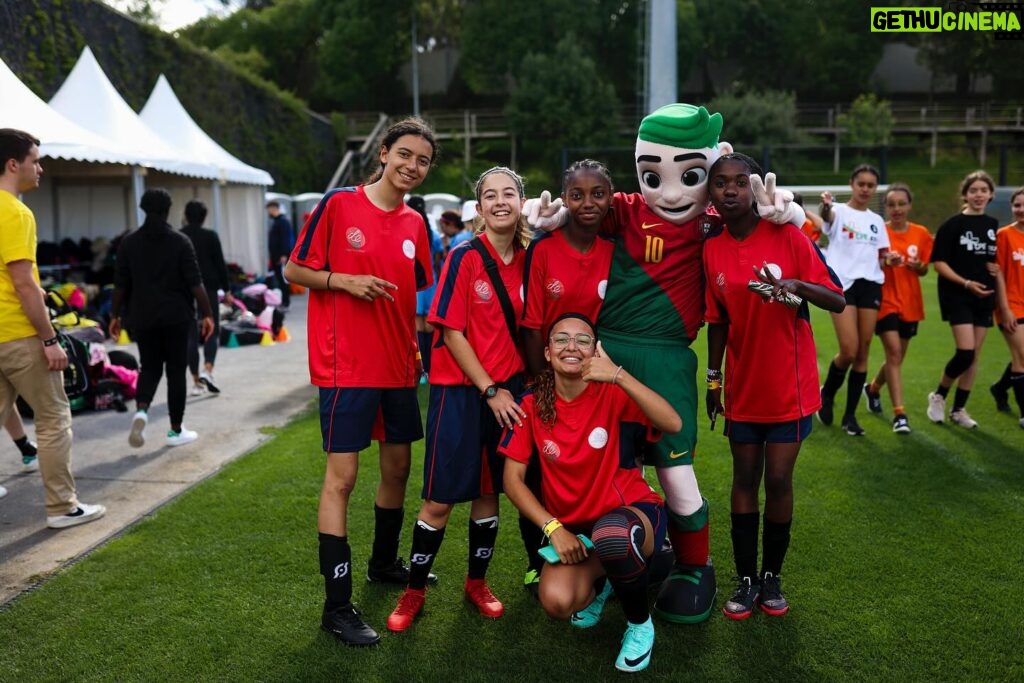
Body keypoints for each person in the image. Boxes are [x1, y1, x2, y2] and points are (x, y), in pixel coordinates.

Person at [524, 103, 804, 623]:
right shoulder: (624, 209)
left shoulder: (718, 214)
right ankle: (608, 559)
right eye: (654, 176)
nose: (672, 192)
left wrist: (794, 212)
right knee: (603, 462)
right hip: (604, 353)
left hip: (669, 360)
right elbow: (580, 209)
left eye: (690, 176)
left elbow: (771, 220)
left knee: (675, 470)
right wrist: (547, 219)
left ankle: (694, 566)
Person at [282, 117, 438, 647]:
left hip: (398, 367)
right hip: (345, 366)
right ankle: (337, 606)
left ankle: (383, 563)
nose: (412, 166)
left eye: (422, 160)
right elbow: (293, 271)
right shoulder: (338, 205)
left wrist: (416, 345)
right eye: (405, 154)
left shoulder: (417, 224)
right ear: (384, 153)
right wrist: (340, 280)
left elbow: (412, 296)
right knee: (342, 478)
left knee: (398, 467)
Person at [386, 167, 530, 633]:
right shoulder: (464, 257)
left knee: (490, 491)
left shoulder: (532, 258)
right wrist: (489, 389)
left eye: (509, 193)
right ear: (479, 208)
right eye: (491, 195)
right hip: (464, 394)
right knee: (440, 500)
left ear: (522, 202)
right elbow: (447, 328)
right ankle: (413, 591)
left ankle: (476, 581)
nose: (501, 201)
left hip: (511, 394)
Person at [703, 153, 845, 621]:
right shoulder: (712, 249)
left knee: (779, 479)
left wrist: (796, 285)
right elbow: (717, 321)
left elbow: (837, 299)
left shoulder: (787, 235)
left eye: (739, 182)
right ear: (710, 195)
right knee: (744, 479)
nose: (730, 190)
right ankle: (745, 580)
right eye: (720, 183)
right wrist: (714, 378)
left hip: (792, 386)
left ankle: (772, 576)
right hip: (743, 388)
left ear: (753, 188)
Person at [501, 313, 681, 673]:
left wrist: (617, 374)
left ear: (595, 350)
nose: (572, 347)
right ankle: (610, 582)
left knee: (612, 535)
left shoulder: (612, 393)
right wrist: (553, 528)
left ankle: (639, 625)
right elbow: (513, 481)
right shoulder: (532, 403)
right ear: (548, 352)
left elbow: (672, 422)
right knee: (556, 601)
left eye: (583, 340)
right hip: (574, 529)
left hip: (634, 514)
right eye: (562, 340)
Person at [517, 158, 615, 594]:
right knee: (540, 471)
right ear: (564, 199)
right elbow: (532, 325)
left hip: (597, 384)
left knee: (602, 468)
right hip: (548, 381)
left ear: (611, 198)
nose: (587, 202)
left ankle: (607, 557)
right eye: (577, 194)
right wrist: (543, 386)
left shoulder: (615, 252)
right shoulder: (544, 248)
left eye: (598, 193)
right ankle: (539, 558)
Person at [0, 128, 105, 528]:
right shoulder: (16, 212)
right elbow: (24, 284)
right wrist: (49, 338)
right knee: (53, 417)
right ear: (14, 164)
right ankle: (62, 507)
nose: (40, 168)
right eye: (35, 160)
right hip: (19, 334)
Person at [109, 189, 215, 449]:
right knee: (176, 371)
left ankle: (142, 410)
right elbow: (195, 282)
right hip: (177, 316)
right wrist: (208, 313)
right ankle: (175, 429)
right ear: (169, 210)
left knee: (150, 367)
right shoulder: (179, 241)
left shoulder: (129, 243)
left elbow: (120, 284)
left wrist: (114, 315)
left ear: (143, 209)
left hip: (143, 317)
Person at [817, 164, 894, 437]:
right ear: (852, 183)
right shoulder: (839, 212)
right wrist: (826, 206)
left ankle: (850, 416)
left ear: (875, 189)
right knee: (848, 350)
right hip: (843, 284)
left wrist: (890, 259)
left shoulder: (876, 221)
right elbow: (826, 218)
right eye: (861, 183)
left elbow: (882, 254)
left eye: (870, 185)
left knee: (863, 352)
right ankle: (826, 394)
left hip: (870, 286)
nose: (865, 189)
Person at [926, 170, 998, 428]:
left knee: (975, 356)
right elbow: (939, 263)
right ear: (965, 194)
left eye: (983, 190)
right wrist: (966, 283)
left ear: (990, 194)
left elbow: (994, 262)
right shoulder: (953, 225)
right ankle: (939, 396)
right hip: (958, 295)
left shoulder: (992, 226)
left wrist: (995, 271)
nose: (978, 195)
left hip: (985, 297)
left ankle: (959, 410)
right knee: (965, 353)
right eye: (973, 190)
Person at [862, 183, 934, 434]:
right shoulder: (878, 231)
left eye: (901, 204)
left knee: (897, 357)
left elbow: (925, 268)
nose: (896, 209)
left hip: (910, 302)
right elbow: (869, 260)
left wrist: (917, 266)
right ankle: (900, 414)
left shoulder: (922, 233)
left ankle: (872, 389)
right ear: (886, 207)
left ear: (909, 205)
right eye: (891, 204)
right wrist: (884, 261)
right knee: (893, 353)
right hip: (884, 300)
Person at [181, 200, 233, 396]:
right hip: (209, 288)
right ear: (204, 217)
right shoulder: (211, 236)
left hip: (185, 290)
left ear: (186, 215)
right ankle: (208, 370)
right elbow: (220, 264)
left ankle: (196, 381)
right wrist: (227, 290)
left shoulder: (179, 236)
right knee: (213, 330)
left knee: (191, 335)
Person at [990, 187, 1024, 425]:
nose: (1021, 210)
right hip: (1011, 304)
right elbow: (998, 273)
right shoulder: (1003, 235)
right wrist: (1004, 308)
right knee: (1022, 355)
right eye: (1017, 205)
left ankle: (1000, 388)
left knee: (1020, 356)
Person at [409, 195, 440, 383]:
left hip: (413, 280)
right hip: (430, 281)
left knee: (417, 323)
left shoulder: (410, 225)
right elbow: (436, 258)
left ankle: (421, 370)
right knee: (430, 324)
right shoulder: (432, 232)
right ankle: (431, 367)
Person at [267, 200, 294, 310]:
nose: (268, 212)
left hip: (281, 257)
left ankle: (286, 301)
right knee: (280, 279)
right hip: (277, 256)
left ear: (273, 208)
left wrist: (283, 254)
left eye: (269, 210)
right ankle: (284, 301)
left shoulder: (282, 222)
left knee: (283, 280)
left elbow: (284, 239)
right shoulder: (278, 221)